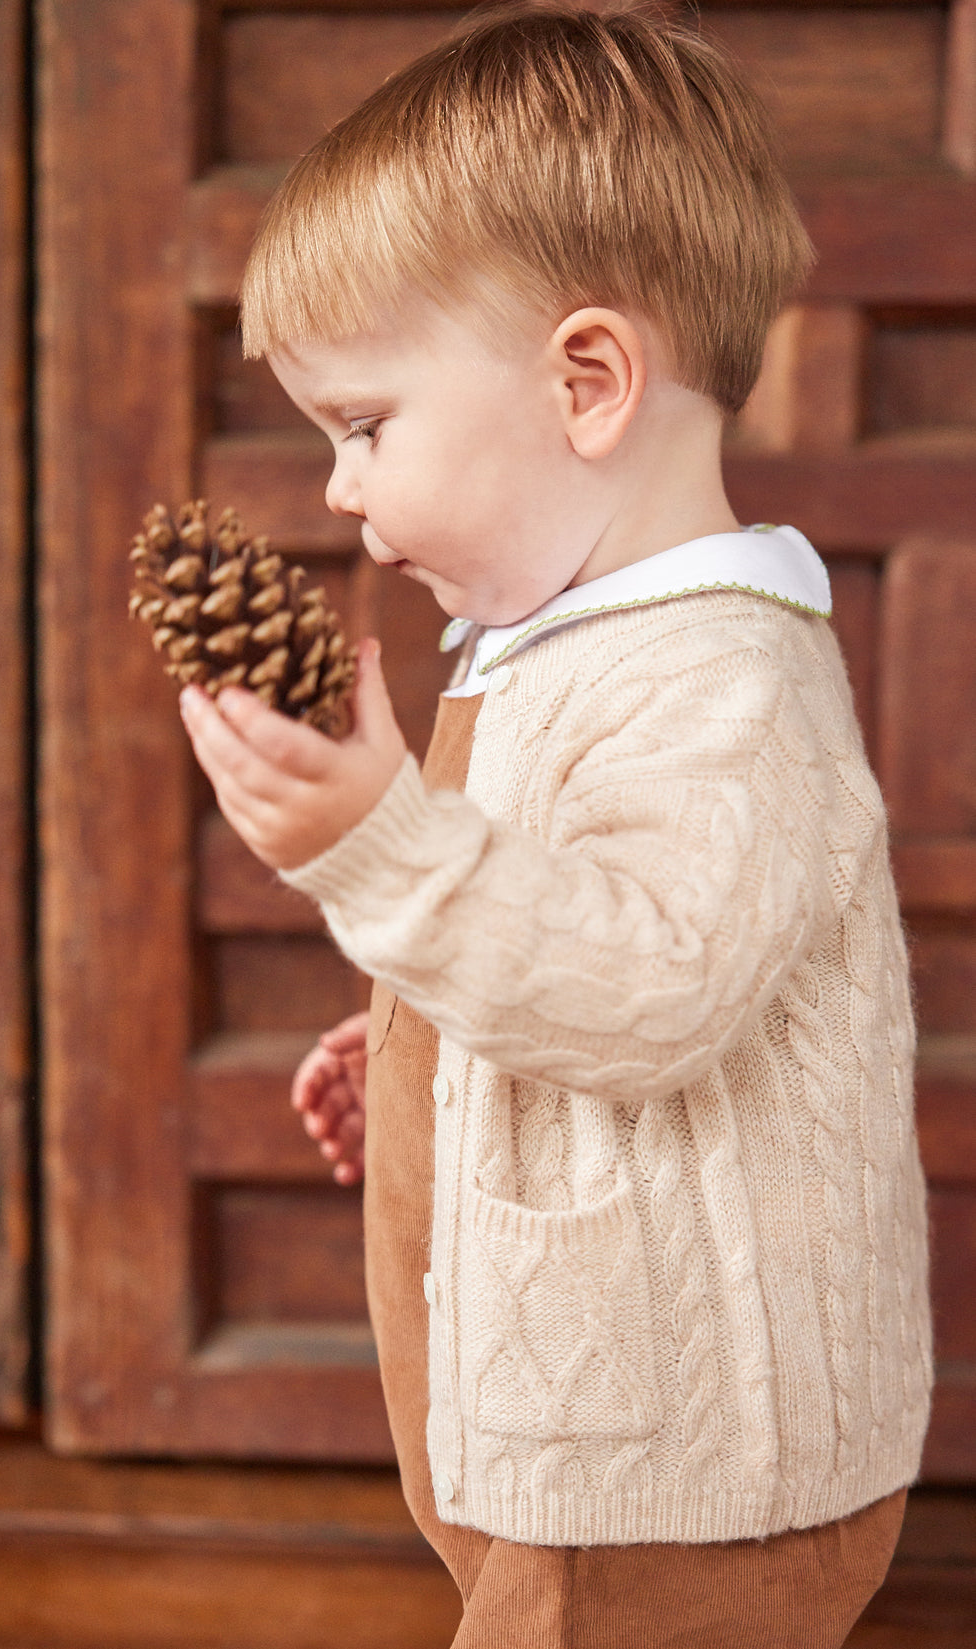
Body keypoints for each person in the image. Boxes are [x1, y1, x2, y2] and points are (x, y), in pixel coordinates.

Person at [178, 7, 933, 1643]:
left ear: (588, 381)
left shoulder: (721, 679)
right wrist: (424, 1051)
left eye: (367, 425)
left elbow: (655, 986)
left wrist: (378, 848)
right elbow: (559, 924)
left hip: (673, 1473)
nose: (339, 491)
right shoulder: (550, 649)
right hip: (571, 1451)